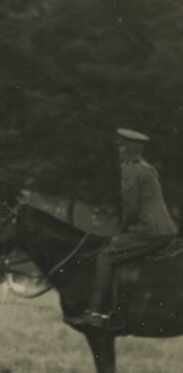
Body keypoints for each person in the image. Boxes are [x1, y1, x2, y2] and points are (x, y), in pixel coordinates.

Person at [65, 129, 177, 327]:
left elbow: (131, 209)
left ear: (128, 149)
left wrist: (124, 229)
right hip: (166, 229)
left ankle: (95, 314)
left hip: (149, 230)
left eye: (122, 146)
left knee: (106, 257)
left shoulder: (130, 170)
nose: (119, 149)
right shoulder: (147, 168)